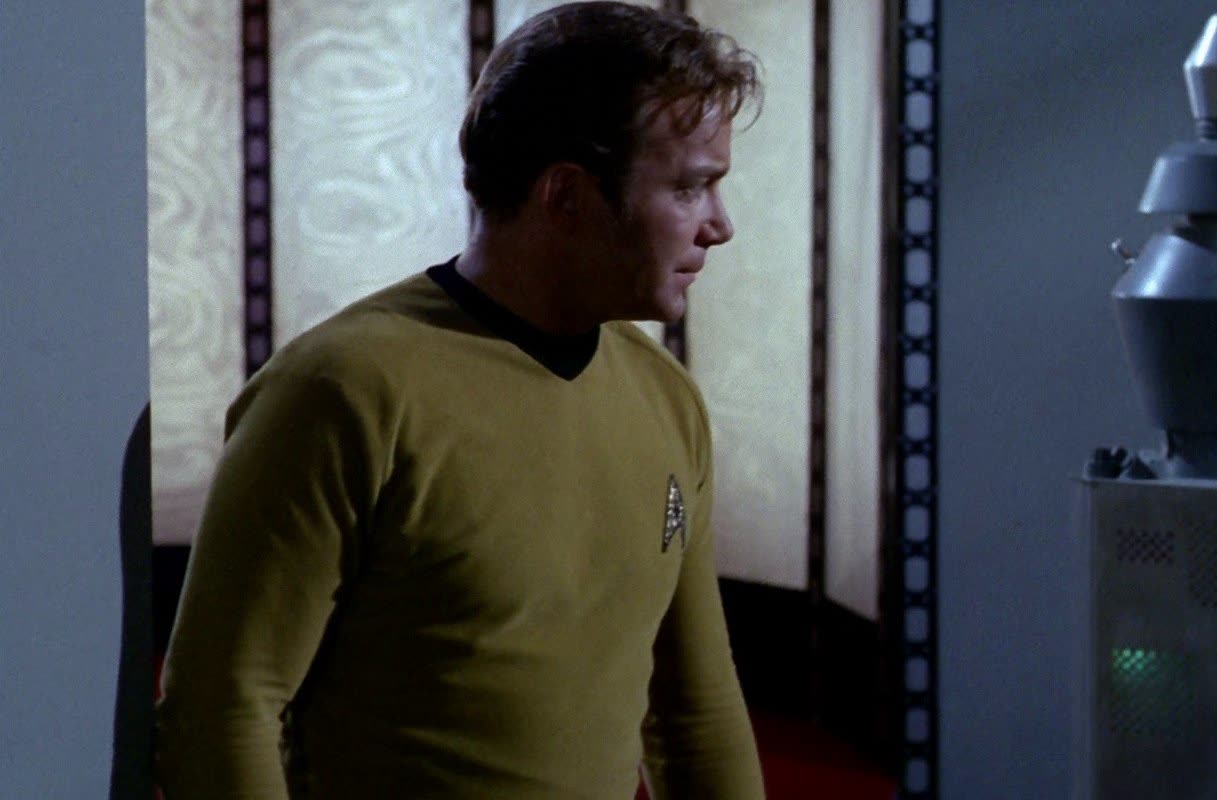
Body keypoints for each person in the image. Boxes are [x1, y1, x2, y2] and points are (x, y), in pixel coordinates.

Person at [154, 3, 765, 797]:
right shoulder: (343, 390)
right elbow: (223, 709)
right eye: (689, 188)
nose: (719, 226)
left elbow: (695, 712)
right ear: (566, 194)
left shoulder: (664, 395)